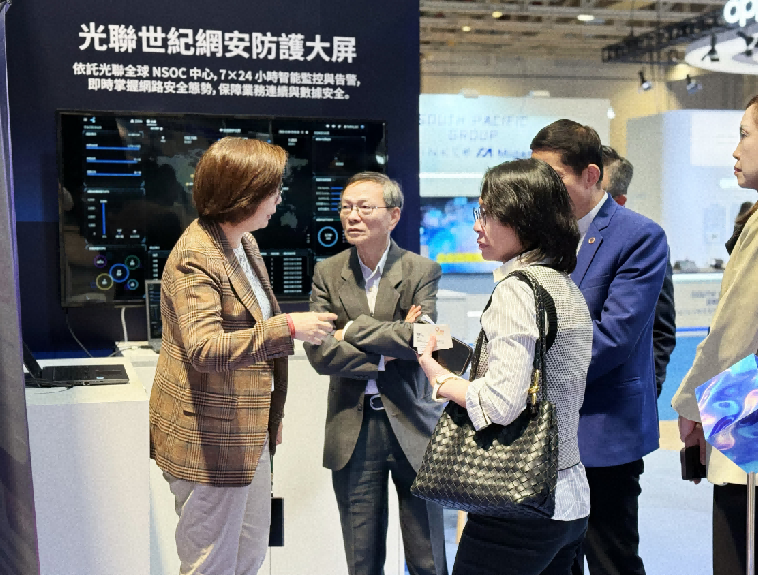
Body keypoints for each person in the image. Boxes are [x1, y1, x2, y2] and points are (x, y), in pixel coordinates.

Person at [148, 137, 337, 575]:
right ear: (244, 195)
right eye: (273, 191)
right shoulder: (195, 256)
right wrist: (289, 327)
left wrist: (270, 416)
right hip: (207, 439)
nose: (279, 200)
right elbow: (205, 349)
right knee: (210, 564)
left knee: (249, 554)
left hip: (245, 430)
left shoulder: (243, 243)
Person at [418, 158, 592, 575]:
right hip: (567, 498)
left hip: (516, 503)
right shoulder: (562, 284)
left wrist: (439, 378)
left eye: (487, 213)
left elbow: (501, 404)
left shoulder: (517, 290)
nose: (477, 225)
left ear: (523, 218)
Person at [531, 121, 668, 575]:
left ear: (591, 175)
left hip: (603, 429)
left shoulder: (638, 236)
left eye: (554, 177)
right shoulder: (542, 236)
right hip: (544, 434)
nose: (542, 188)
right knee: (554, 561)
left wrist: (529, 371)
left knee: (611, 559)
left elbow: (613, 336)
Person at [671, 88, 758, 575]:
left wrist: (691, 406)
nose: (735, 150)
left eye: (745, 135)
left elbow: (734, 332)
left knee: (748, 547)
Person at [304, 172, 447, 575]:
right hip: (354, 426)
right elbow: (320, 353)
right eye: (346, 207)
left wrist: (349, 330)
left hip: (413, 423)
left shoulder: (421, 270)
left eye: (364, 207)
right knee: (362, 559)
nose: (352, 216)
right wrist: (390, 348)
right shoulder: (328, 272)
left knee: (427, 558)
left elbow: (424, 339)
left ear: (393, 215)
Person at [601, 146, 676, 398]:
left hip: (619, 399)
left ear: (619, 201)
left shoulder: (643, 242)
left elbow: (661, 331)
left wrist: (646, 392)